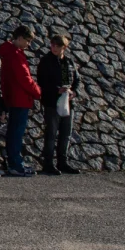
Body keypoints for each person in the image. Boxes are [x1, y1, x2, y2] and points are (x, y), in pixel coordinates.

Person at [0, 25, 42, 177]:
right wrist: (38, 92)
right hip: (20, 98)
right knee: (16, 133)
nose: (28, 44)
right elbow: (25, 78)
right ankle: (16, 164)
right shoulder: (15, 55)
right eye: (27, 41)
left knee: (13, 131)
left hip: (13, 97)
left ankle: (14, 162)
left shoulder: (9, 53)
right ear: (19, 38)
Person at [36, 34, 81, 175]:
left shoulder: (69, 62)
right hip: (52, 102)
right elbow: (42, 81)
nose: (54, 48)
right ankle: (48, 163)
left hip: (68, 101)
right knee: (51, 133)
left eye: (57, 46)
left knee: (66, 133)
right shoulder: (46, 61)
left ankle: (63, 161)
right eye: (52, 45)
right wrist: (56, 89)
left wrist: (74, 92)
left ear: (64, 48)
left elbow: (77, 79)